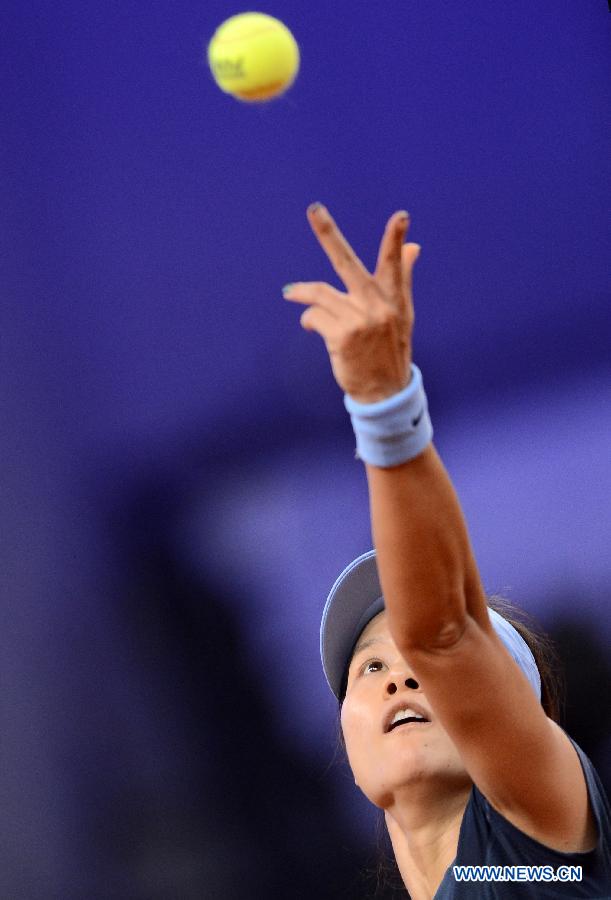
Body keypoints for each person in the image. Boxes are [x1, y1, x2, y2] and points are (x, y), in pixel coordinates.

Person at [283, 204, 611, 898]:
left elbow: (442, 632)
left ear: (511, 721)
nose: (398, 679)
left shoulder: (537, 847)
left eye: (421, 666)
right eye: (368, 667)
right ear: (343, 738)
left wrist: (382, 403)